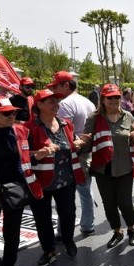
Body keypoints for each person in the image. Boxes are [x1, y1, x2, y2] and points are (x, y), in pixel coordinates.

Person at [25, 89, 87, 266]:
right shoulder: (29, 128)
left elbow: (72, 147)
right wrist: (38, 154)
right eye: (51, 101)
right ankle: (49, 250)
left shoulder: (66, 124)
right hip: (40, 183)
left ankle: (68, 240)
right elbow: (22, 155)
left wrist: (78, 144)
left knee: (68, 213)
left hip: (67, 180)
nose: (56, 104)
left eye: (57, 101)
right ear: (39, 105)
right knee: (43, 219)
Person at [0, 96, 43, 266]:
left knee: (12, 234)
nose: (12, 115)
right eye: (6, 113)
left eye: (13, 112)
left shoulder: (21, 131)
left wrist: (38, 156)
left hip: (15, 191)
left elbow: (27, 159)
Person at [83, 83, 134, 249]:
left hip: (125, 167)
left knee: (125, 202)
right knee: (109, 204)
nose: (114, 100)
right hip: (103, 169)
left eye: (117, 97)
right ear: (102, 99)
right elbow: (86, 145)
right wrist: (82, 142)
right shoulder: (94, 119)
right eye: (110, 97)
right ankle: (117, 231)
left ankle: (131, 229)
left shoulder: (128, 116)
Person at [47, 71, 96, 237]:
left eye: (56, 86)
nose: (54, 91)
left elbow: (61, 132)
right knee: (85, 191)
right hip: (86, 151)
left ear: (66, 85)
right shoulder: (88, 102)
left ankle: (63, 232)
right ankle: (88, 225)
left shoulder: (65, 104)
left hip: (71, 154)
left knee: (65, 195)